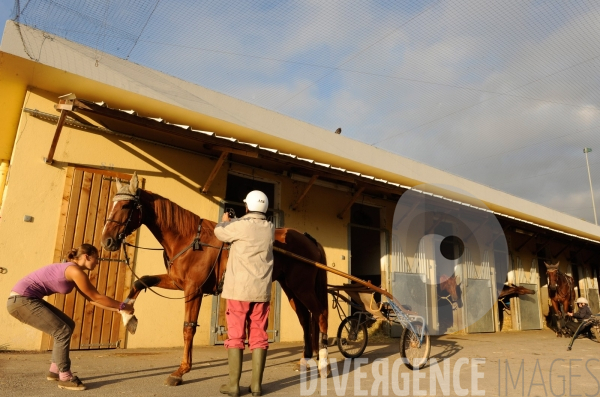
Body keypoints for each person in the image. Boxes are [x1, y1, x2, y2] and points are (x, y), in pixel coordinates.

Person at [6, 244, 135, 391]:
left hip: (27, 300)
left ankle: (55, 370)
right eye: (96, 258)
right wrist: (123, 306)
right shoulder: (74, 271)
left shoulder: (73, 270)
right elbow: (97, 297)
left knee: (68, 324)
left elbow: (91, 299)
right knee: (62, 331)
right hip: (21, 301)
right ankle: (65, 377)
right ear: (87, 256)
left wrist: (118, 310)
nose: (98, 262)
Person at [214, 190, 275, 397]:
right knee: (259, 335)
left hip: (239, 290)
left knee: (236, 335)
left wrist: (224, 221)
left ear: (247, 206)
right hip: (261, 292)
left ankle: (233, 386)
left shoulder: (239, 226)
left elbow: (219, 233)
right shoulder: (270, 228)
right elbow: (253, 227)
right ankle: (256, 386)